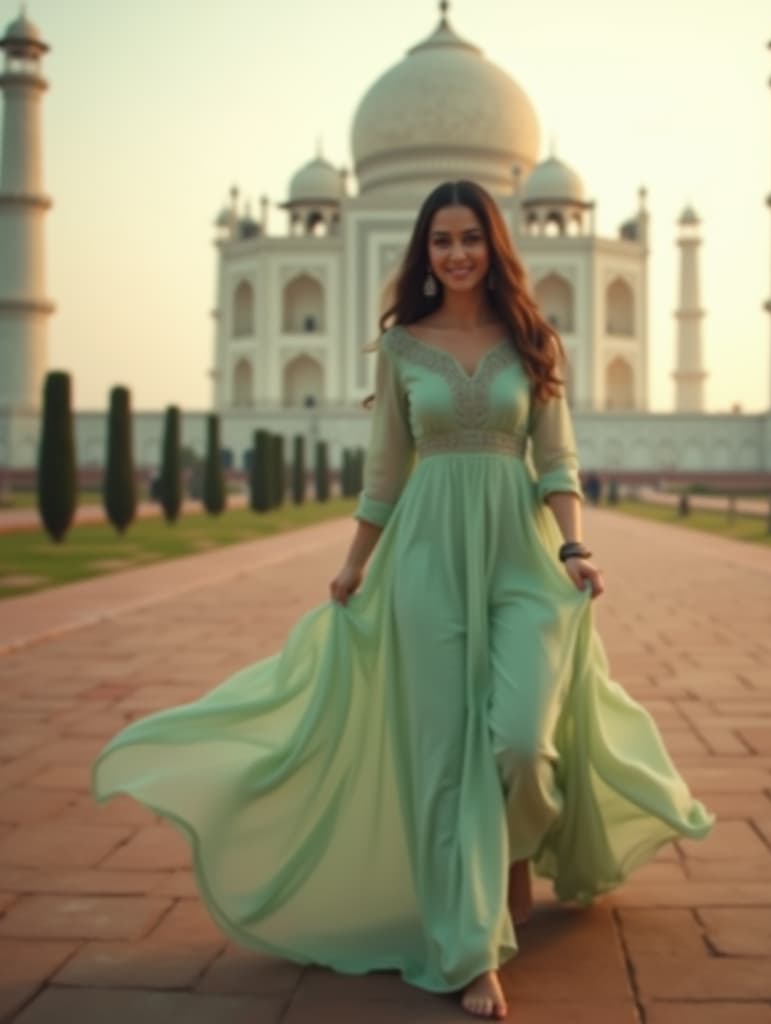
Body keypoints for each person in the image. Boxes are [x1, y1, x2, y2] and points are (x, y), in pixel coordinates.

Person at [92, 179, 714, 1021]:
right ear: (423, 252)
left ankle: (517, 849)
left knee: (524, 743)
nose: (457, 253)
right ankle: (469, 949)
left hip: (519, 560)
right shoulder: (400, 350)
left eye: (470, 237)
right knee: (445, 755)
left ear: (496, 244)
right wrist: (355, 563)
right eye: (441, 241)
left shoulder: (535, 340)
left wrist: (573, 546)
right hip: (423, 560)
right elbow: (386, 471)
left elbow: (557, 460)